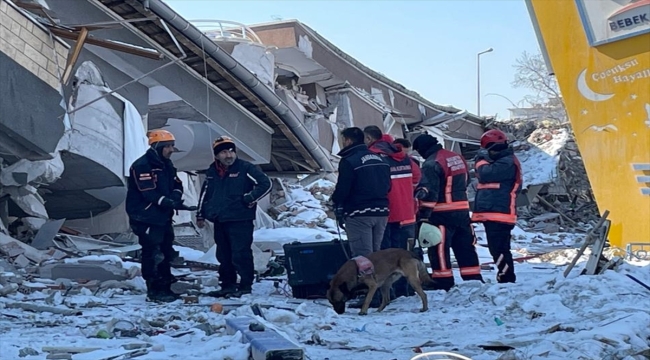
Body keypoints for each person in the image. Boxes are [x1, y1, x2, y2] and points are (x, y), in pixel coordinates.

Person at [197, 136, 271, 298]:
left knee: (241, 253)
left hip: (240, 219)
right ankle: (227, 285)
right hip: (220, 219)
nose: (229, 155)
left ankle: (245, 286)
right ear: (217, 155)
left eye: (231, 151)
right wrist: (200, 213)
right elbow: (205, 193)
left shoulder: (245, 168)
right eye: (224, 152)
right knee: (223, 254)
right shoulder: (212, 171)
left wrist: (250, 197)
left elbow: (266, 184)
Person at [412, 134, 484, 291]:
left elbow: (431, 193)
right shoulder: (456, 157)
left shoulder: (431, 163)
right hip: (462, 211)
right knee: (465, 246)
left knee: (439, 248)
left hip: (441, 214)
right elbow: (466, 182)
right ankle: (473, 278)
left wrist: (423, 216)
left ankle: (442, 280)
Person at [126, 129, 191, 303]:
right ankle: (154, 290)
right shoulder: (142, 165)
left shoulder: (166, 164)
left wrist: (176, 196)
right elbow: (148, 192)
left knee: (166, 251)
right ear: (157, 146)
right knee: (152, 253)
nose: (171, 150)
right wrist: (166, 201)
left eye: (172, 146)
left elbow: (177, 183)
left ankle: (166, 287)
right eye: (167, 146)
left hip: (162, 217)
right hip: (145, 217)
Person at [363, 127, 419, 300]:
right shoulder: (405, 158)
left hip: (385, 212)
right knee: (404, 254)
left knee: (385, 256)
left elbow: (369, 183)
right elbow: (417, 178)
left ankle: (388, 293)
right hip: (407, 212)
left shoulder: (373, 155)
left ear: (369, 138)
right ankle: (407, 289)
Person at [471, 129, 522, 283]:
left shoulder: (506, 162)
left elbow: (485, 173)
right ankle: (505, 276)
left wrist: (480, 160)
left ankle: (506, 278)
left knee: (499, 249)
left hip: (500, 213)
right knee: (498, 249)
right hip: (496, 212)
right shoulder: (504, 160)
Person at [331, 127, 391, 257]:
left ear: (348, 141)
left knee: (363, 256)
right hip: (382, 212)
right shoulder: (381, 159)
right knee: (376, 255)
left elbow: (343, 188)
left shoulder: (349, 160)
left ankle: (365, 277)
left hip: (359, 213)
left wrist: (335, 201)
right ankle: (377, 277)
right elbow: (388, 186)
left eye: (343, 140)